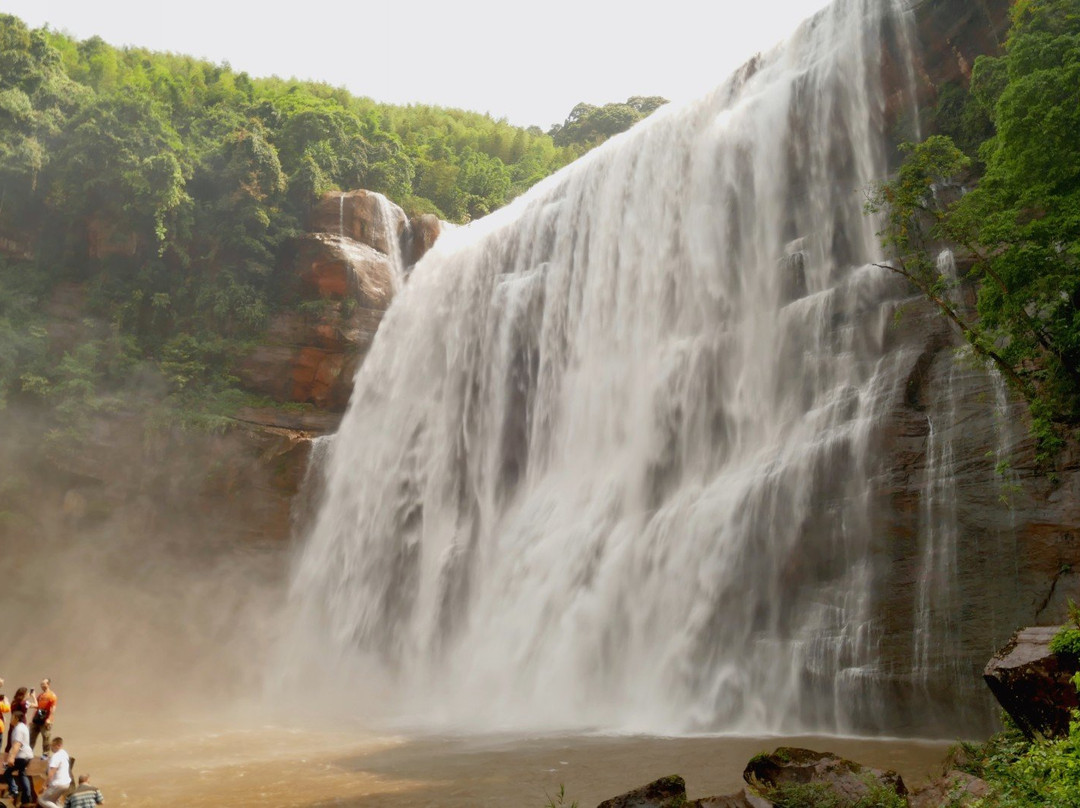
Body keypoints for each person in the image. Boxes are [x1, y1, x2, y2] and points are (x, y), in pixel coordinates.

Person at [3, 712, 35, 807]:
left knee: (7, 773)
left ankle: (14, 790)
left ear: (16, 718)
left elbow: (17, 744)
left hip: (21, 756)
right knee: (22, 774)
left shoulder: (18, 729)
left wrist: (11, 758)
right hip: (27, 756)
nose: (11, 719)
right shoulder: (24, 727)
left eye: (12, 717)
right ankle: (27, 797)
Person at [35, 737, 70, 808]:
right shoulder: (64, 753)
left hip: (58, 784)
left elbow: (51, 774)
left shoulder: (56, 757)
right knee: (54, 801)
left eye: (52, 746)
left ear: (58, 745)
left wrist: (44, 786)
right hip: (66, 783)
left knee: (42, 800)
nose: (51, 748)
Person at [29, 681, 56, 756]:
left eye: (44, 684)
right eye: (41, 684)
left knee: (46, 737)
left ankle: (45, 755)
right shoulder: (40, 695)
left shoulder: (52, 695)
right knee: (31, 736)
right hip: (37, 718)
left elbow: (53, 708)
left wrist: (49, 719)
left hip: (45, 719)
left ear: (48, 684)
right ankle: (28, 753)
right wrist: (32, 719)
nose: (42, 685)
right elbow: (36, 707)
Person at [5, 689, 28, 755]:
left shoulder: (14, 702)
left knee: (10, 742)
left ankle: (6, 759)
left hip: (13, 722)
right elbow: (35, 705)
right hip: (20, 722)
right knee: (19, 740)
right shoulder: (23, 703)